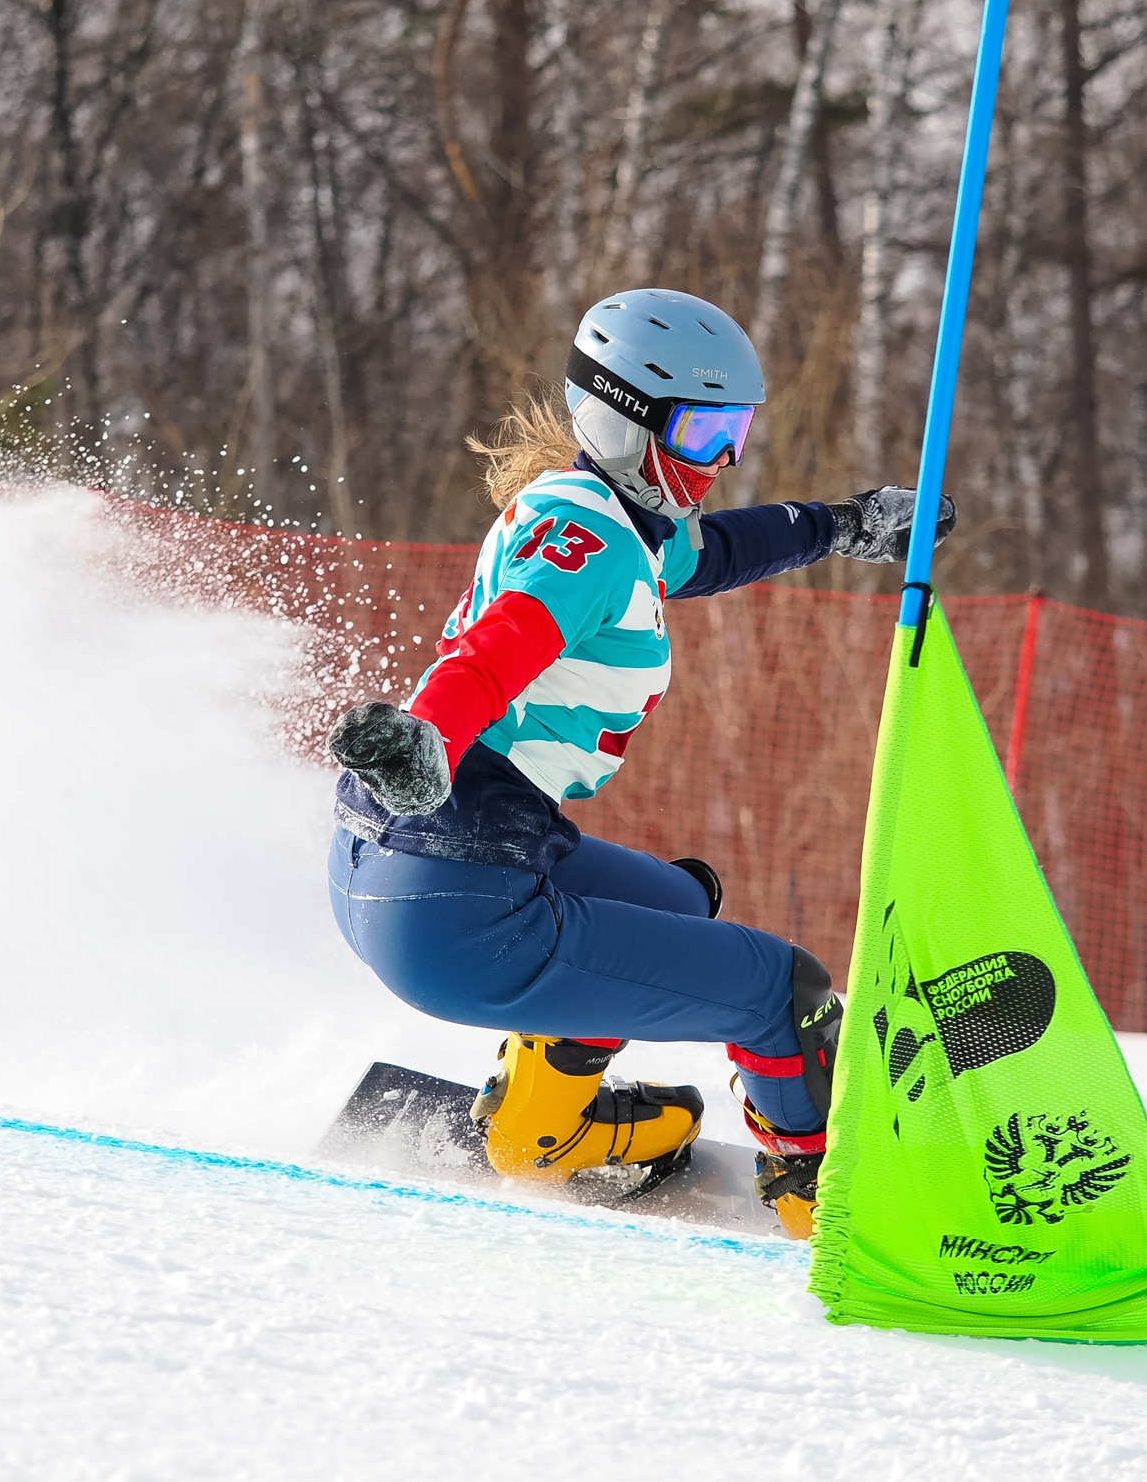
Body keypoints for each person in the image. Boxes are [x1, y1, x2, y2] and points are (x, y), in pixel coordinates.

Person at [324, 288, 953, 1238]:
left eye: (736, 430)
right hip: (456, 897)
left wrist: (847, 523)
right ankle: (834, 1205)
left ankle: (536, 1129)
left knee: (678, 901)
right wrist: (428, 737)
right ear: (625, 420)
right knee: (781, 992)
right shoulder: (590, 548)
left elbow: (717, 550)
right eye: (704, 431)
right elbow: (494, 653)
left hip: (399, 866)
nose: (726, 458)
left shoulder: (597, 516)